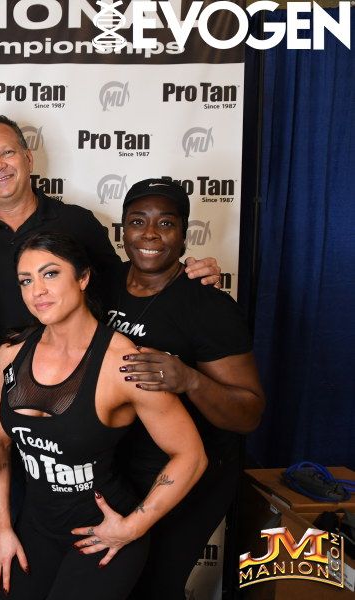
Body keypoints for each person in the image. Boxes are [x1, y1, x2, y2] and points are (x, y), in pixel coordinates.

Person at [0, 232, 207, 599]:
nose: (37, 290)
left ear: (83, 278)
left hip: (102, 534)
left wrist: (134, 526)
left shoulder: (123, 364)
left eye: (51, 273)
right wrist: (2, 528)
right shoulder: (9, 356)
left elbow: (191, 455)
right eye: (26, 280)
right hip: (34, 529)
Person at [104, 178, 265, 599]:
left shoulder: (208, 306)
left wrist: (190, 379)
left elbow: (249, 413)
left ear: (183, 233)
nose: (150, 234)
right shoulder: (103, 284)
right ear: (122, 229)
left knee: (155, 584)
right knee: (118, 581)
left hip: (192, 475)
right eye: (137, 221)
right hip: (122, 464)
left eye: (166, 223)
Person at [0, 114, 221, 344]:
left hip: (72, 375)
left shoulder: (78, 223)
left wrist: (183, 277)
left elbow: (125, 288)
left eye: (7, 152)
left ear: (28, 159)